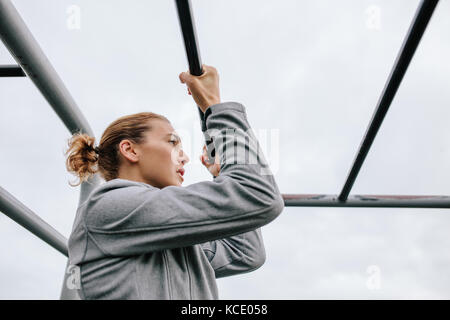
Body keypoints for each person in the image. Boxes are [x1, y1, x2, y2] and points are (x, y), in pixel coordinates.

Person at [65, 64, 285, 299]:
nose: (185, 157)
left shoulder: (156, 229)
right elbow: (258, 197)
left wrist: (221, 175)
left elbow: (244, 252)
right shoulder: (110, 206)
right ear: (130, 150)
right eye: (172, 142)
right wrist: (212, 105)